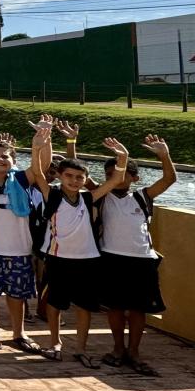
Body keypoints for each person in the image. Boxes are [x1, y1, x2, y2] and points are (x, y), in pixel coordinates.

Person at [29, 127, 129, 368]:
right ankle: (55, 343)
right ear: (60, 176)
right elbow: (37, 173)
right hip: (57, 257)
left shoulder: (88, 197)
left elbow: (116, 179)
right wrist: (36, 147)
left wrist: (122, 157)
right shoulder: (51, 195)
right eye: (69, 176)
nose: (74, 181)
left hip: (86, 259)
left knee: (85, 306)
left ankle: (81, 348)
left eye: (79, 178)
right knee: (54, 303)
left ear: (84, 180)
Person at [99, 135, 176, 375]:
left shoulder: (142, 196)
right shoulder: (103, 195)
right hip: (111, 258)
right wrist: (71, 142)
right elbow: (74, 173)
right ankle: (118, 348)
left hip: (142, 260)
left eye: (122, 173)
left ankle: (134, 350)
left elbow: (169, 179)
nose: (117, 177)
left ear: (135, 178)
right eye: (112, 173)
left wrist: (164, 155)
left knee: (137, 309)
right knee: (114, 307)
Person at [0, 136, 42, 353]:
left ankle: (19, 332)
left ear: (14, 159)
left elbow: (42, 168)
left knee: (17, 294)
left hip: (18, 248)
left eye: (5, 156)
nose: (0, 160)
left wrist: (39, 146)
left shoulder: (22, 179)